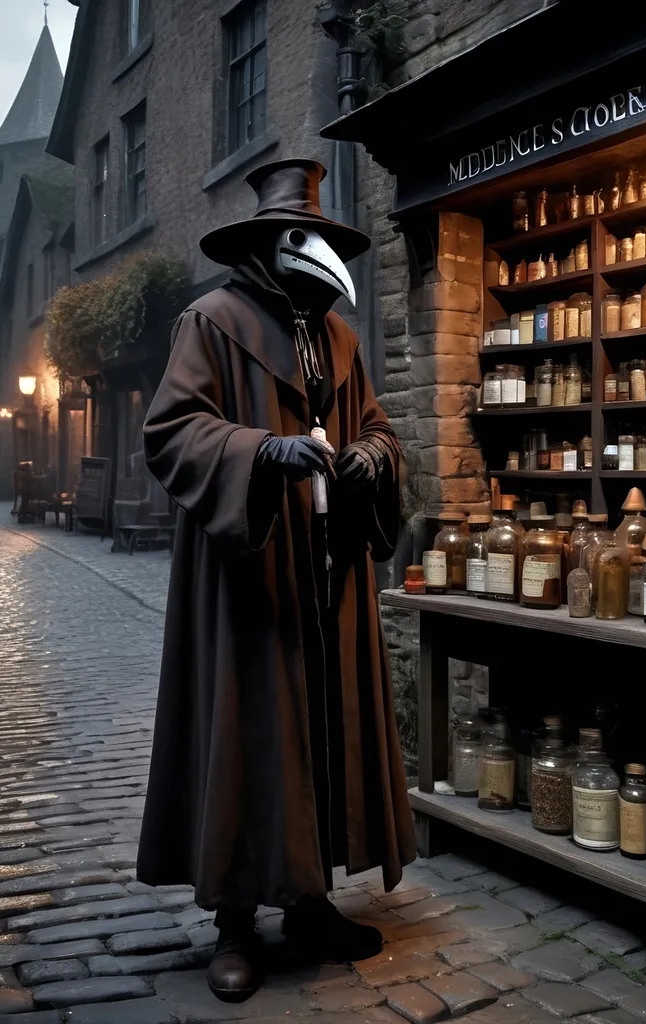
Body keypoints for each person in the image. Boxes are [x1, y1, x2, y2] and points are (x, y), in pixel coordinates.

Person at [137, 159, 415, 1003]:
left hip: (330, 575)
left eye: (325, 239)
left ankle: (311, 901)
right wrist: (263, 453)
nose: (318, 253)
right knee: (250, 731)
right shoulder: (211, 322)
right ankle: (233, 919)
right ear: (265, 247)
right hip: (252, 572)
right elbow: (175, 431)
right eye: (303, 238)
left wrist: (370, 455)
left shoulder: (338, 337)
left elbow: (377, 427)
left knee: (325, 730)